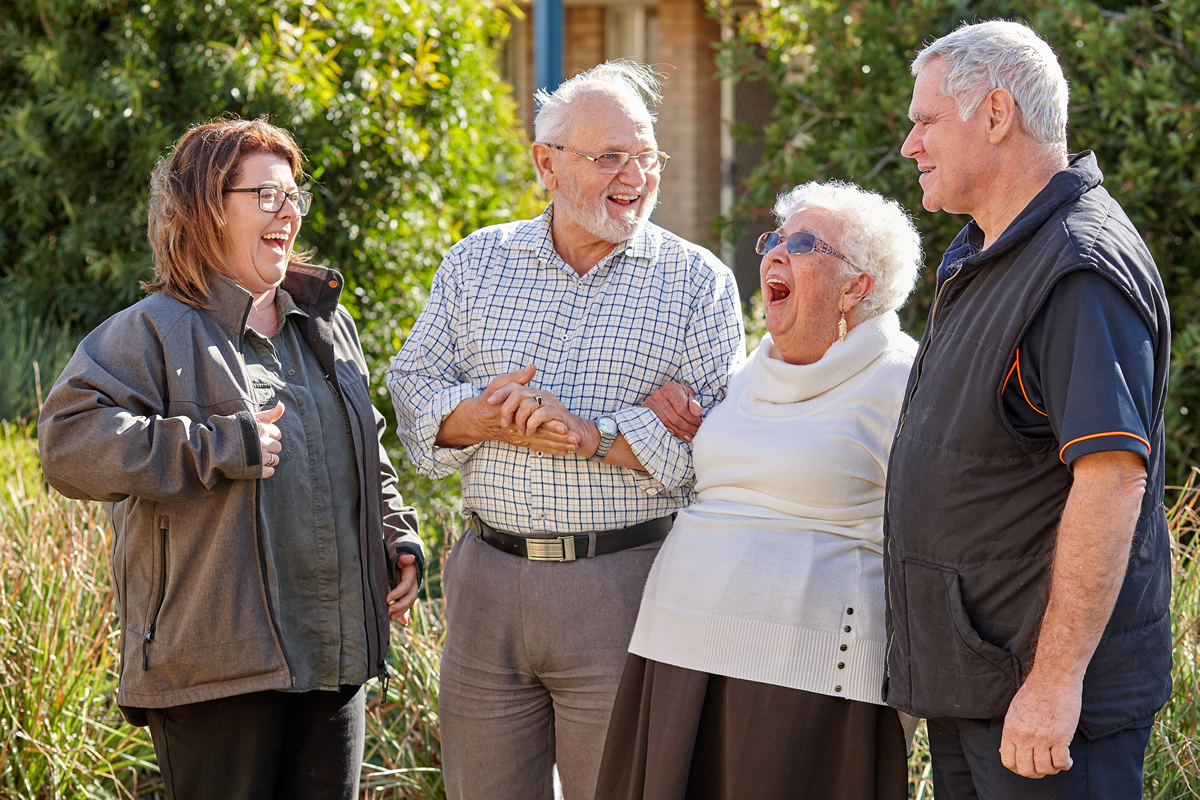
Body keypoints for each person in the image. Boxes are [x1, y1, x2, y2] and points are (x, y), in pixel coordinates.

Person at [387, 61, 745, 800]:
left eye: (646, 155)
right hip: (486, 582)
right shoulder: (476, 262)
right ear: (546, 165)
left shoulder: (696, 282)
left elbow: (719, 450)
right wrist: (485, 417)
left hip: (626, 587)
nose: (634, 175)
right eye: (608, 155)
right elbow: (411, 385)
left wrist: (595, 434)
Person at [37, 117, 424, 800]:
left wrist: (394, 533)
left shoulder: (326, 324)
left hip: (333, 658)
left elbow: (366, 448)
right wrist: (214, 445)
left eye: (294, 197)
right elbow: (68, 444)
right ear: (209, 208)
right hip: (216, 668)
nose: (289, 215)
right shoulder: (153, 329)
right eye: (267, 197)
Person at [886, 20, 1172, 797]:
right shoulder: (991, 253)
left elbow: (1112, 481)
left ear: (996, 114)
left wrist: (1053, 687)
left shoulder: (1077, 270)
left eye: (925, 121)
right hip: (977, 688)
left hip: (1041, 711)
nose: (911, 145)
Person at [592, 180, 922, 800]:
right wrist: (667, 413)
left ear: (857, 285)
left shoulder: (901, 381)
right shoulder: (748, 370)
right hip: (678, 652)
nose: (773, 253)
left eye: (802, 243)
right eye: (774, 239)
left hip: (803, 675)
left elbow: (935, 537)